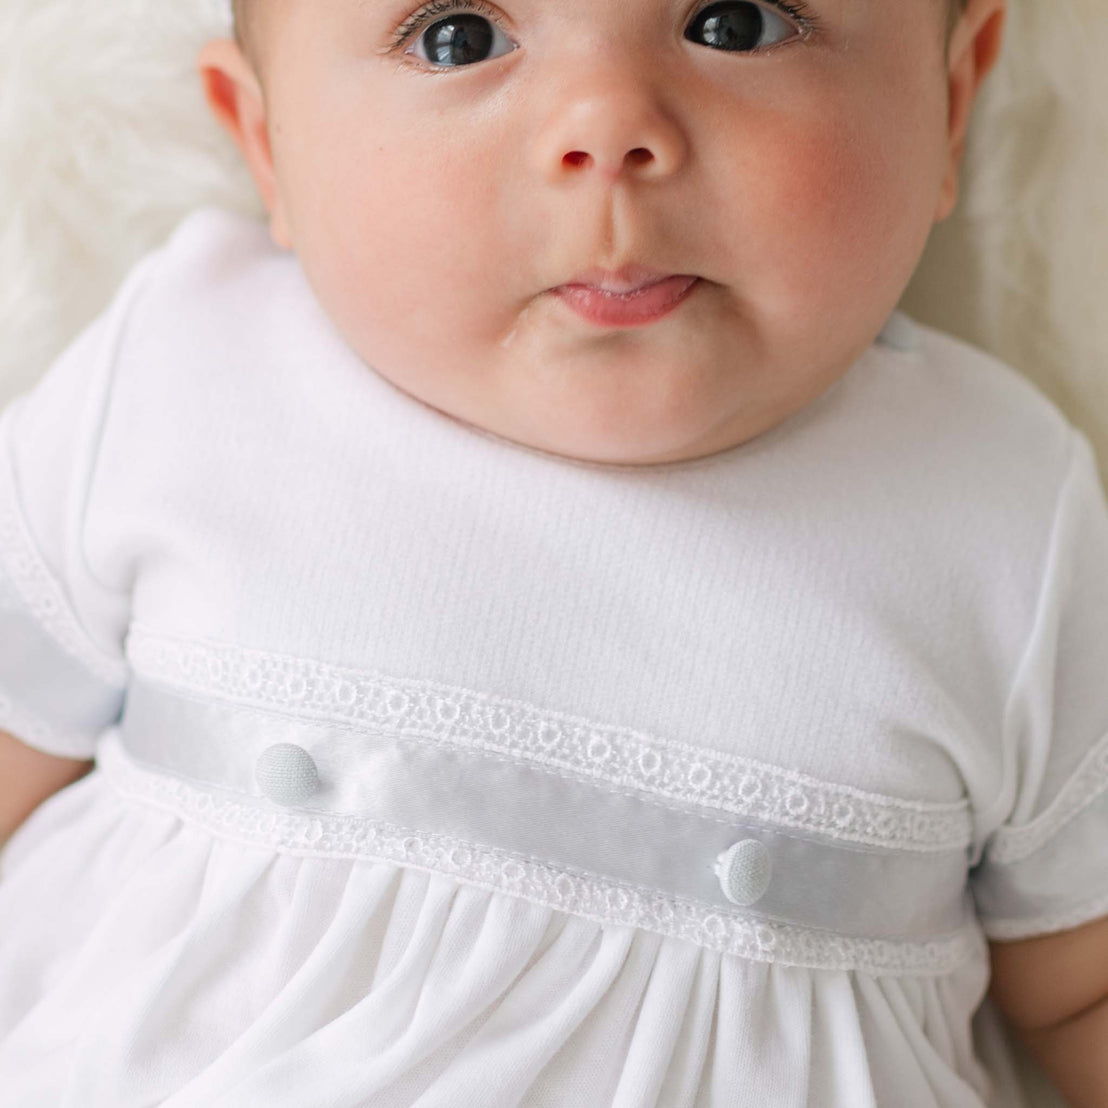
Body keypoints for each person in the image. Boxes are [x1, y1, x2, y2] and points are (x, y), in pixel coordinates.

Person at [0, 0, 1103, 1103]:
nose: (608, 125)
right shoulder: (188, 366)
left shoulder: (1007, 510)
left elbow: (1077, 985)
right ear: (266, 142)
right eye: (457, 38)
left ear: (948, 103)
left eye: (737, 22)